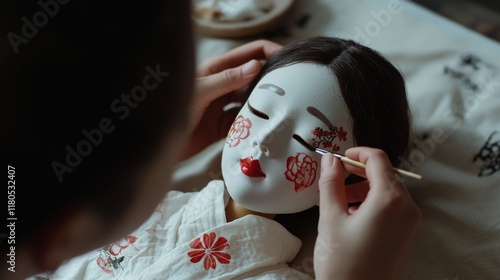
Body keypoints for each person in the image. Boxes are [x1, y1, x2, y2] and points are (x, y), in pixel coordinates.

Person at [1, 2, 421, 280]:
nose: (262, 143)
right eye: (256, 112)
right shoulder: (137, 207)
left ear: (354, 179)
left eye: (305, 140)